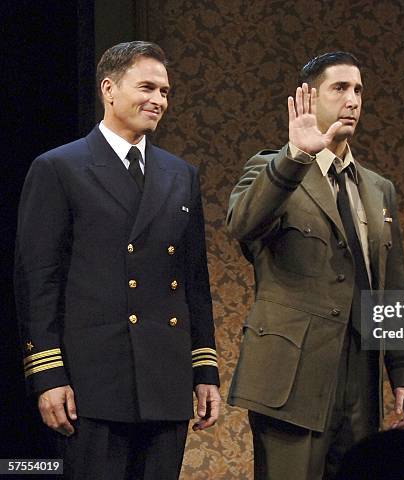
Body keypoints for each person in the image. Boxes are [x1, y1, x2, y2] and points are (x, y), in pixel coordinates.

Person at [14, 41, 221, 479]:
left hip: (165, 376)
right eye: (147, 87)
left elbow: (193, 281)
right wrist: (48, 375)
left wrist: (204, 369)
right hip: (93, 382)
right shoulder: (60, 167)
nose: (158, 100)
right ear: (109, 89)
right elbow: (38, 280)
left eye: (165, 92)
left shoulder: (180, 174)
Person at [226, 52, 404, 479]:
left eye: (358, 91)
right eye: (340, 89)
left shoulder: (378, 188)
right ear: (309, 98)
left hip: (360, 378)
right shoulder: (272, 168)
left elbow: (393, 288)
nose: (352, 100)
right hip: (292, 377)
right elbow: (242, 224)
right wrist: (295, 156)